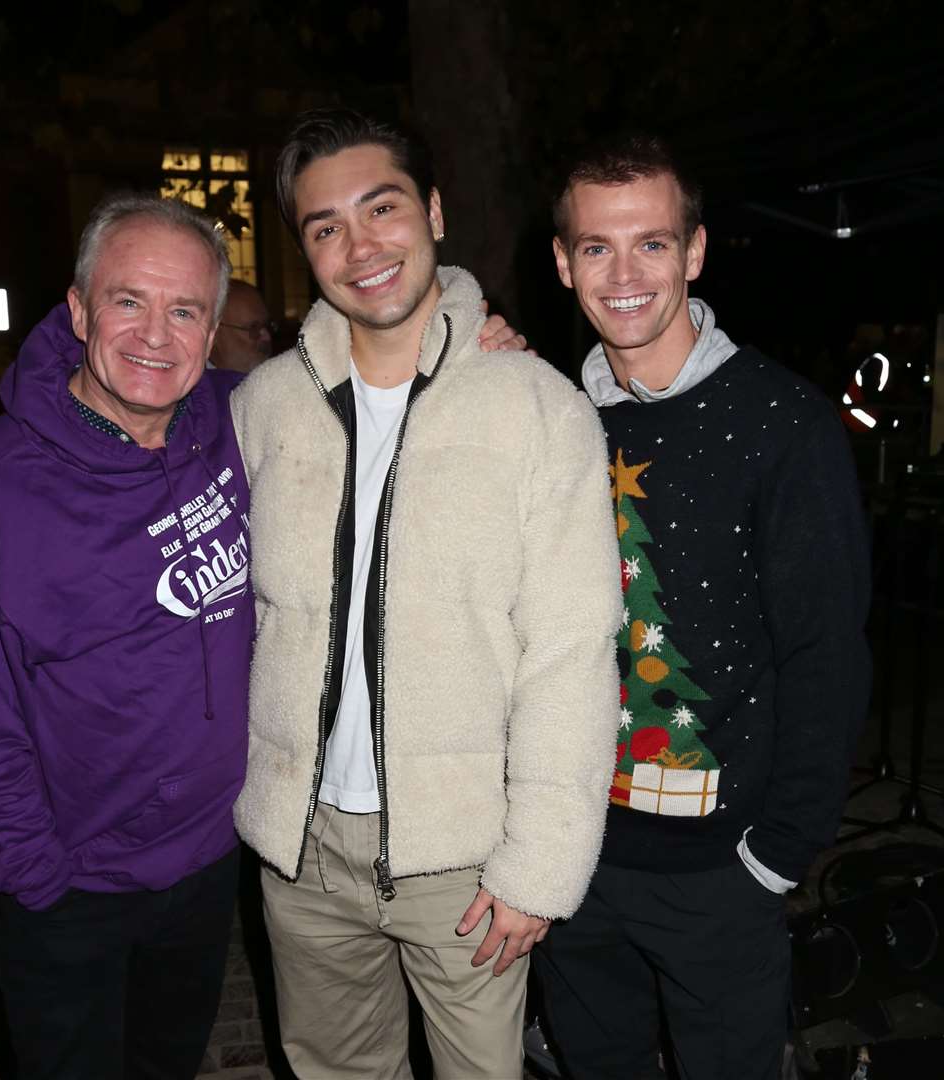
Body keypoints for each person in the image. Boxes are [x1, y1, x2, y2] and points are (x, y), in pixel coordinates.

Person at [229, 108, 622, 1079]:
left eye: (381, 207)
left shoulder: (538, 409)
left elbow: (572, 651)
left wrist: (538, 867)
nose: (358, 246)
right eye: (324, 226)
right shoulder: (260, 408)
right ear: (303, 249)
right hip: (304, 849)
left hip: (466, 855)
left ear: (434, 211)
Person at [533, 133, 871, 1080]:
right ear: (563, 264)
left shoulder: (784, 423)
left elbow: (827, 657)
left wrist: (777, 854)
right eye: (597, 247)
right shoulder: (555, 419)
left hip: (723, 869)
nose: (626, 272)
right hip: (571, 858)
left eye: (652, 242)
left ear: (695, 251)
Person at [0, 193, 255, 1080]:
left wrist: (476, 331)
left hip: (209, 861)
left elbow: (370, 365)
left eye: (184, 310)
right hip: (71, 888)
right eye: (127, 300)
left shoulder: (243, 420)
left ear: (215, 329)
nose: (155, 334)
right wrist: (38, 881)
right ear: (76, 309)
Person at [208, 278, 274, 373]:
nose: (267, 337)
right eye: (253, 328)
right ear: (214, 334)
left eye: (267, 325)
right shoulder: (191, 385)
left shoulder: (281, 380)